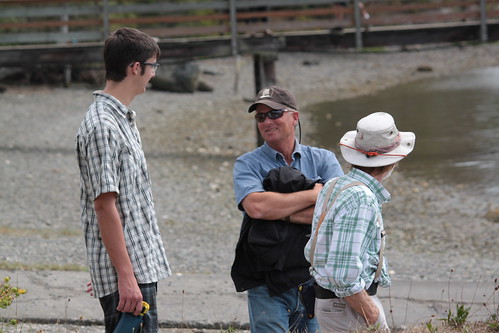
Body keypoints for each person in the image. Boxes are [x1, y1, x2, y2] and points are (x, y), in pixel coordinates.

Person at [75, 27, 170, 333]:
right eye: (152, 66)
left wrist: (115, 265)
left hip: (136, 267)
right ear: (135, 68)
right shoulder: (104, 126)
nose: (153, 74)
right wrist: (124, 275)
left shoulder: (122, 118)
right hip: (131, 276)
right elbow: (104, 206)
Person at [231, 85, 344, 333]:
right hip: (265, 280)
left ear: (294, 117)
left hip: (316, 277)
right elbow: (257, 208)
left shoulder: (324, 159)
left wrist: (281, 214)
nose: (266, 121)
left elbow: (338, 212)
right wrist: (313, 194)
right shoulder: (247, 164)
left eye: (274, 114)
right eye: (260, 116)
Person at [305, 112, 416, 332]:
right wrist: (373, 315)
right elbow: (341, 275)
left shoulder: (335, 185)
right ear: (393, 160)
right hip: (347, 307)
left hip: (334, 304)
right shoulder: (361, 197)